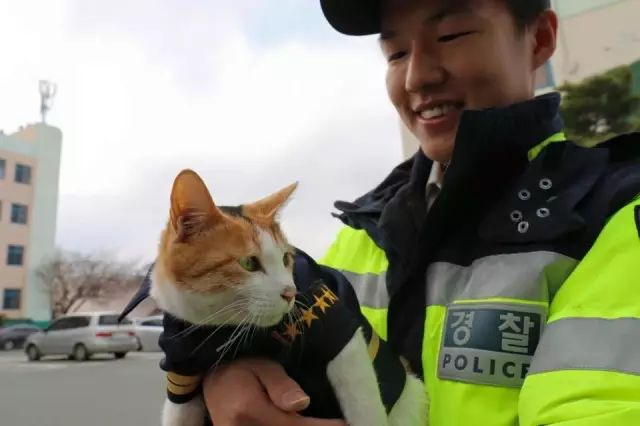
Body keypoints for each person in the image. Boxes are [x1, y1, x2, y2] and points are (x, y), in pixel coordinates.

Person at [203, 0, 640, 425]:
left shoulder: (615, 216)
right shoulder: (364, 229)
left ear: (540, 39)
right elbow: (280, 349)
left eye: (451, 35)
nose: (416, 77)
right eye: (396, 53)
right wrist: (225, 378)